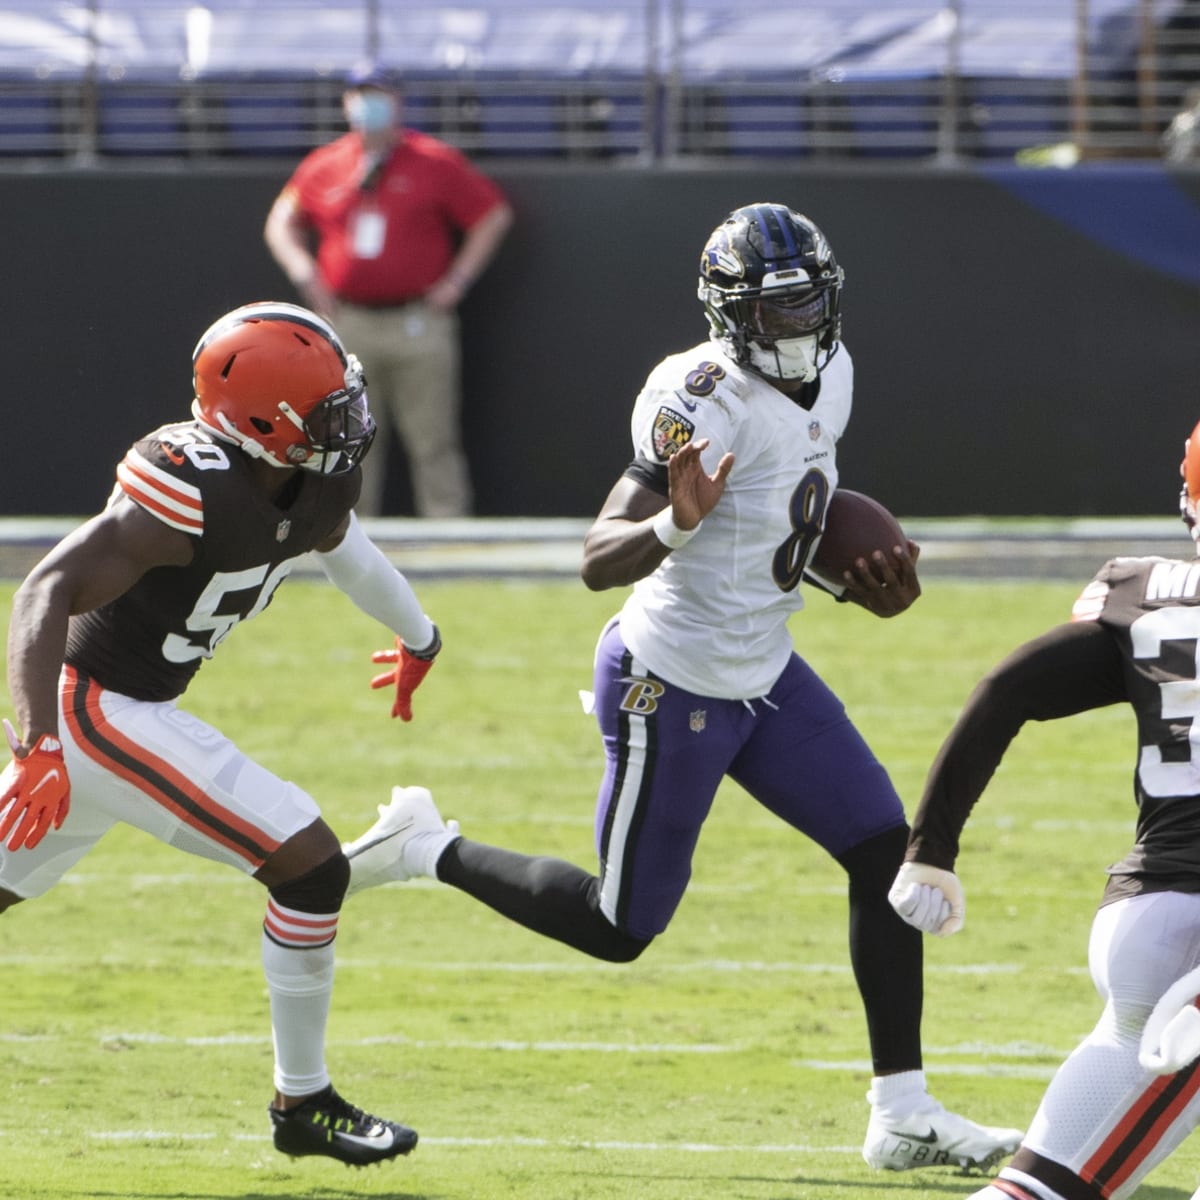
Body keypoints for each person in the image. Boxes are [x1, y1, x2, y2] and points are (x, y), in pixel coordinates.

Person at [339, 201, 1024, 1172]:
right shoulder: (699, 394)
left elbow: (789, 517)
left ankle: (903, 1115)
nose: (797, 326)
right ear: (731, 314)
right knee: (622, 929)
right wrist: (673, 526)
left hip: (766, 668)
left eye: (807, 304)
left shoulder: (836, 374)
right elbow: (596, 558)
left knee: (884, 854)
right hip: (672, 680)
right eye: (776, 310)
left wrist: (853, 582)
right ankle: (427, 846)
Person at [0, 301, 442, 1166]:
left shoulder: (315, 478)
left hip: (130, 714)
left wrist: (420, 633)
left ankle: (303, 1104)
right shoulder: (184, 487)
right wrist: (38, 746)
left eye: (345, 401)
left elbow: (341, 546)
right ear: (261, 425)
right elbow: (42, 591)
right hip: (99, 712)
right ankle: (303, 1104)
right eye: (326, 414)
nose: (350, 424)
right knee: (312, 868)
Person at [888, 417, 1200, 1200]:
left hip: (1143, 917)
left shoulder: (1146, 594)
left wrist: (931, 847)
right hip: (1192, 950)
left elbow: (1008, 687)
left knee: (1040, 1185)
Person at [263, 61, 513, 519]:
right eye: (359, 94)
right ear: (345, 103)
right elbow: (281, 220)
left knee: (433, 436)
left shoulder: (434, 161)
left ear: (398, 102)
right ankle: (350, 535)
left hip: (418, 320)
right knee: (348, 439)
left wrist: (457, 280)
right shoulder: (325, 164)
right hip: (348, 321)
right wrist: (305, 273)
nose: (367, 105)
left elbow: (492, 215)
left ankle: (451, 538)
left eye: (378, 95)